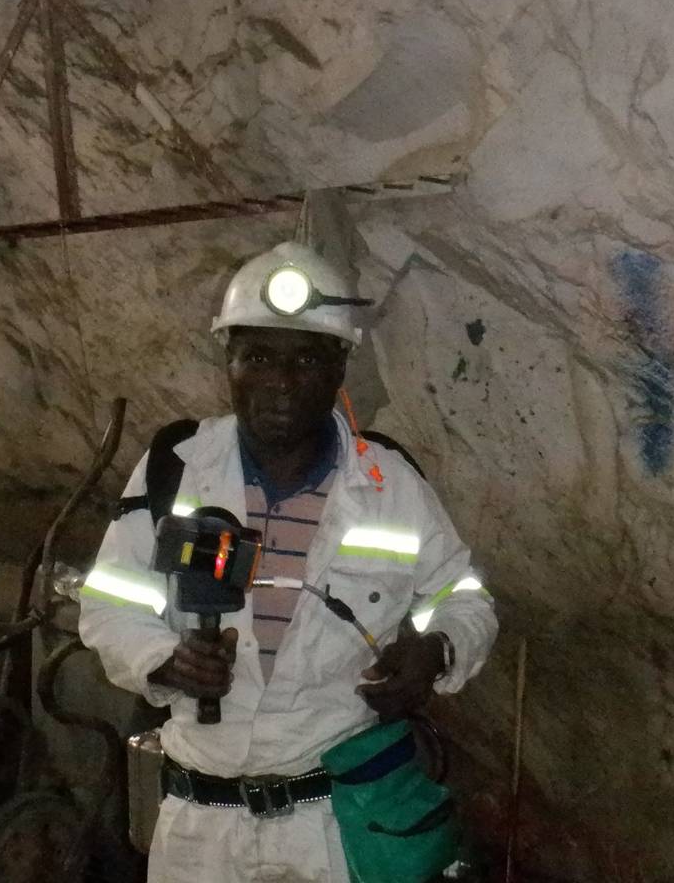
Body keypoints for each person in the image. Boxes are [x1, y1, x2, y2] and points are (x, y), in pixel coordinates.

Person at [80, 240, 498, 882]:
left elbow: (464, 594)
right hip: (200, 830)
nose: (280, 381)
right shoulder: (176, 465)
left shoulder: (388, 484)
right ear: (230, 362)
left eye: (306, 358)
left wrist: (436, 649)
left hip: (332, 829)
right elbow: (110, 603)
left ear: (338, 368)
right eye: (258, 357)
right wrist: (165, 659)